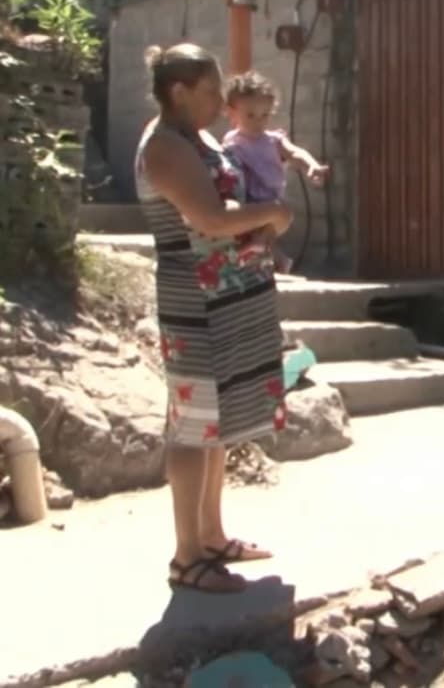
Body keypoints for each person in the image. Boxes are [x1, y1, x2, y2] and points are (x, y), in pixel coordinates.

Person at [135, 43, 294, 594]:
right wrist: (273, 214)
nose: (219, 100)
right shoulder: (163, 148)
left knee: (216, 424)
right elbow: (206, 216)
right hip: (195, 303)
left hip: (229, 296)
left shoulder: (196, 139)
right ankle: (187, 558)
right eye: (209, 91)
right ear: (178, 91)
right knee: (192, 423)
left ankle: (212, 536)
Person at [221, 70, 330, 274]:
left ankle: (270, 255)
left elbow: (295, 152)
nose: (258, 121)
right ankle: (277, 259)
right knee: (254, 230)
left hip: (270, 197)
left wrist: (311, 165)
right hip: (244, 196)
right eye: (250, 115)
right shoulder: (231, 141)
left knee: (267, 229)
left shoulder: (273, 140)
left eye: (265, 115)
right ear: (231, 112)